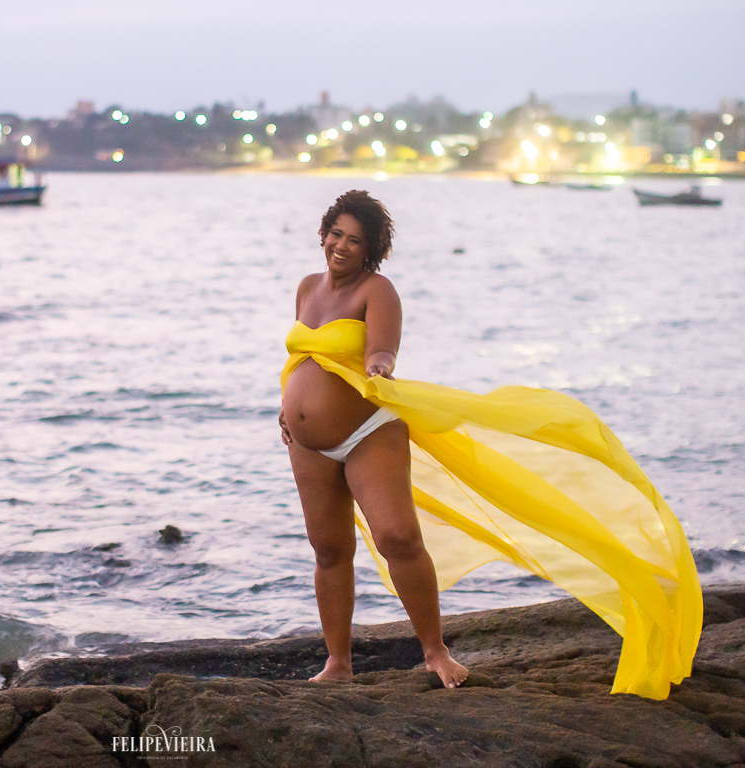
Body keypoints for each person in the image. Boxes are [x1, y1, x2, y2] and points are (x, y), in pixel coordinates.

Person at [278, 190, 701, 700]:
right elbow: (305, 357)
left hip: (368, 432)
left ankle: (435, 651)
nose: (341, 246)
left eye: (354, 240)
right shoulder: (307, 288)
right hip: (307, 445)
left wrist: (379, 368)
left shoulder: (377, 290)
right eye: (336, 234)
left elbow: (381, 350)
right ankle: (338, 663)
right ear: (323, 233)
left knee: (398, 538)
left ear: (371, 250)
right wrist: (288, 405)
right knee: (329, 550)